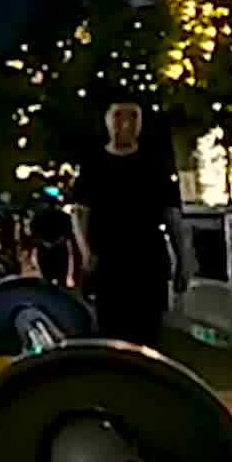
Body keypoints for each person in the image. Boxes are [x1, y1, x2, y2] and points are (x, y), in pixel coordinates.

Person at [71, 101, 185, 348]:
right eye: (118, 116)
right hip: (108, 263)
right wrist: (87, 252)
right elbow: (80, 214)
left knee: (149, 331)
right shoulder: (94, 164)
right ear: (107, 121)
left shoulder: (155, 163)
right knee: (111, 331)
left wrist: (183, 259)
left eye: (133, 117)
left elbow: (172, 214)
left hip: (148, 260)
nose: (125, 124)